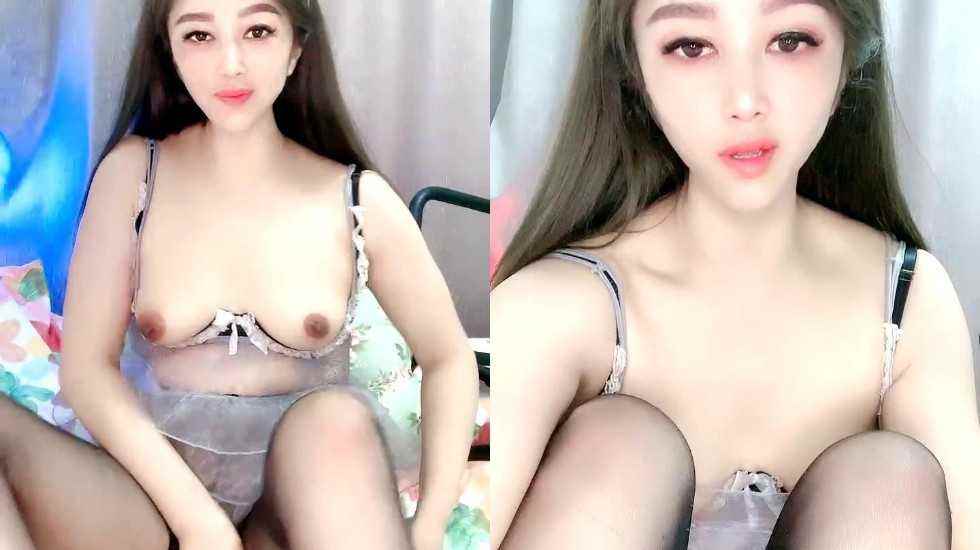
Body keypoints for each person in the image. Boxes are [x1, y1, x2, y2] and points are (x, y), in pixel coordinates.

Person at [491, 0, 978, 548]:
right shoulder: (554, 307)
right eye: (691, 46)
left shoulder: (909, 302)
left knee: (888, 481)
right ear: (635, 70)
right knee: (622, 448)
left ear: (849, 57)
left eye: (789, 41)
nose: (745, 102)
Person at [0, 1, 478, 549]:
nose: (231, 64)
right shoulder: (133, 174)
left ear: (296, 48)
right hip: (147, 502)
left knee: (336, 421)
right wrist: (199, 525)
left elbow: (448, 357)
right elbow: (87, 371)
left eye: (257, 31)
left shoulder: (358, 199)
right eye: (199, 36)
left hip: (293, 510)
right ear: (171, 52)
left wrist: (430, 522)